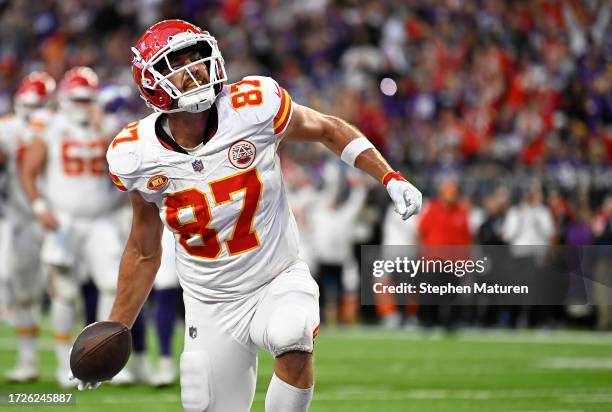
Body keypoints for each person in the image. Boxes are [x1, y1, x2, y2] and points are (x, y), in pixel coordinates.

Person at [80, 19, 422, 412]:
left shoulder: (254, 106)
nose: (195, 68)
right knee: (205, 403)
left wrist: (389, 176)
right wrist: (116, 327)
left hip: (276, 277)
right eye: (178, 62)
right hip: (210, 302)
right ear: (152, 82)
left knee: (292, 334)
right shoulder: (136, 153)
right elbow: (143, 249)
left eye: (197, 57)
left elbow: (326, 129)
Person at [20, 66, 123, 387]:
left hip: (101, 218)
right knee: (64, 293)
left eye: (88, 99)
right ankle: (66, 362)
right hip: (64, 219)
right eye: (77, 99)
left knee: (111, 285)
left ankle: (107, 360)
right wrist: (39, 206)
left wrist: (102, 128)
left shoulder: (107, 126)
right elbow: (28, 170)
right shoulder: (50, 126)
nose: (82, 104)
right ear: (64, 98)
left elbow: (125, 163)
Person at [0, 72, 55, 382]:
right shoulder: (7, 129)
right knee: (22, 290)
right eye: (26, 104)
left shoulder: (59, 126)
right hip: (21, 218)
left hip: (60, 217)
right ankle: (28, 360)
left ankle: (70, 365)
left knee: (65, 293)